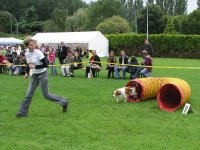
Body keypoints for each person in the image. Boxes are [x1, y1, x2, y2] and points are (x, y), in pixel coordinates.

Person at [16, 38, 69, 118]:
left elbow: (46, 65)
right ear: (27, 46)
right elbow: (29, 64)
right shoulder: (27, 54)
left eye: (33, 44)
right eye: (31, 45)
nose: (33, 46)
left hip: (42, 75)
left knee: (46, 95)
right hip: (34, 76)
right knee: (28, 95)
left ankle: (64, 102)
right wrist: (27, 72)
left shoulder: (38, 53)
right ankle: (22, 113)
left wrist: (35, 66)